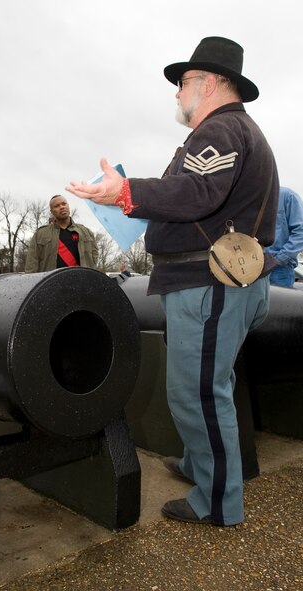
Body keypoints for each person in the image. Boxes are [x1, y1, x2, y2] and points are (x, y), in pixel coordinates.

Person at [66, 37, 279, 527]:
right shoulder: (231, 131)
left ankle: (218, 503)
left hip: (209, 285)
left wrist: (126, 192)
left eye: (181, 83)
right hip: (220, 281)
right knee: (210, 385)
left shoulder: (221, 129)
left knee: (197, 392)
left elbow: (198, 191)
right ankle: (202, 465)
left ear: (207, 84)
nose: (176, 93)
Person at [25, 194, 98, 272]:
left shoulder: (86, 232)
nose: (62, 207)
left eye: (64, 204)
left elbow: (94, 257)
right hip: (51, 281)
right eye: (57, 206)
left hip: (81, 280)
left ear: (68, 206)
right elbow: (31, 263)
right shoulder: (40, 234)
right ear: (51, 211)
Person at [265, 186, 303, 288]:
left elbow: (300, 233)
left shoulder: (288, 196)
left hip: (279, 270)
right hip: (251, 270)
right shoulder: (251, 200)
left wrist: (278, 260)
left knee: (279, 304)